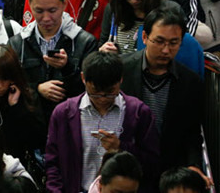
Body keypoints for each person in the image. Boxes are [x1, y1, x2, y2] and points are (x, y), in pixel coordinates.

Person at [45, 51, 160, 193]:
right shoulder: (64, 113)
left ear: (121, 80)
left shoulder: (139, 113)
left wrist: (121, 147)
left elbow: (152, 163)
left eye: (110, 92)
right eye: (95, 92)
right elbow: (52, 163)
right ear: (83, 78)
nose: (103, 98)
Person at [120, 5, 207, 182]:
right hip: (128, 168)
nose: (166, 50)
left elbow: (192, 133)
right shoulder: (122, 70)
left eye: (173, 43)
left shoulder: (190, 82)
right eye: (159, 41)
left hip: (169, 170)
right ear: (144, 37)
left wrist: (194, 165)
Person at [8, 0, 97, 121]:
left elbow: (92, 91)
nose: (46, 18)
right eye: (39, 11)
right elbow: (8, 86)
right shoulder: (17, 44)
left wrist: (67, 68)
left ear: (64, 4)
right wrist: (37, 90)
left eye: (52, 10)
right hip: (30, 127)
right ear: (30, 5)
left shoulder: (84, 42)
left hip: (70, 125)